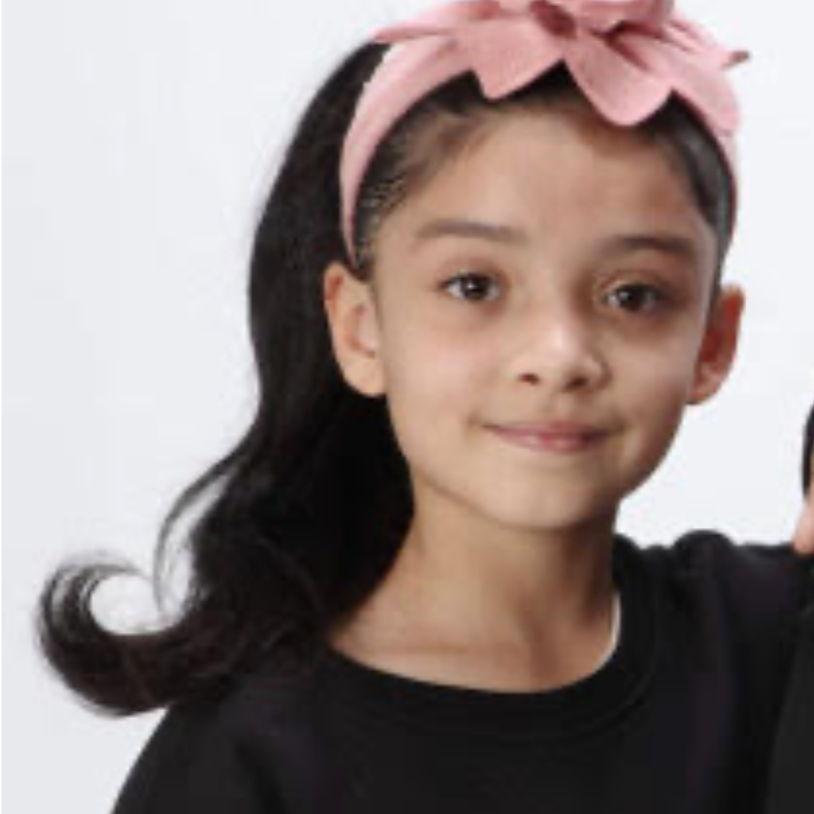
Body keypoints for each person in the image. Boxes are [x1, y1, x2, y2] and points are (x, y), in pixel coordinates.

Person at [34, 1, 814, 812]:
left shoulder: (767, 643)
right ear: (359, 327)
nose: (558, 355)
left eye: (634, 295)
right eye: (474, 286)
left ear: (712, 341)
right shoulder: (249, 758)